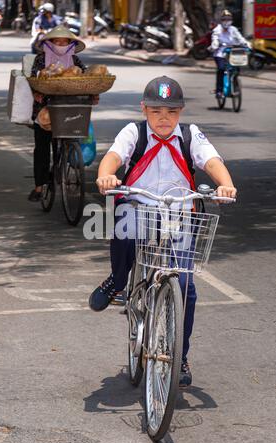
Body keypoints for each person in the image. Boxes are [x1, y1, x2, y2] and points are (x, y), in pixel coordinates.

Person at [88, 76, 237, 388]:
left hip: (178, 214)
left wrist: (226, 183)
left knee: (185, 286)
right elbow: (113, 158)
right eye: (156, 110)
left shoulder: (190, 135)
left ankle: (180, 355)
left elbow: (212, 162)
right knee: (125, 229)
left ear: (180, 112)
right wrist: (106, 176)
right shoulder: (134, 132)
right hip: (140, 206)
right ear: (144, 109)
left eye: (171, 111)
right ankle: (117, 281)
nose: (163, 117)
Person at [28, 25, 87, 202]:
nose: (61, 44)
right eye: (57, 41)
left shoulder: (75, 61)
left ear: (70, 43)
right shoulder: (40, 59)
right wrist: (37, 91)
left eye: (64, 41)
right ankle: (39, 186)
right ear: (50, 42)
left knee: (65, 144)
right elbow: (33, 79)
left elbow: (87, 79)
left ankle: (58, 171)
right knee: (42, 147)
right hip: (44, 109)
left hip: (70, 107)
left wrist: (92, 94)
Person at [211, 10, 250, 98]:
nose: (226, 21)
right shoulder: (217, 30)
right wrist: (215, 44)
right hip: (220, 53)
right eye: (224, 19)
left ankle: (235, 85)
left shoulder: (233, 29)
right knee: (221, 69)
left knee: (236, 69)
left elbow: (240, 39)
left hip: (232, 53)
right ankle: (219, 91)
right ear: (221, 20)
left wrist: (246, 44)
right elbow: (215, 39)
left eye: (228, 19)